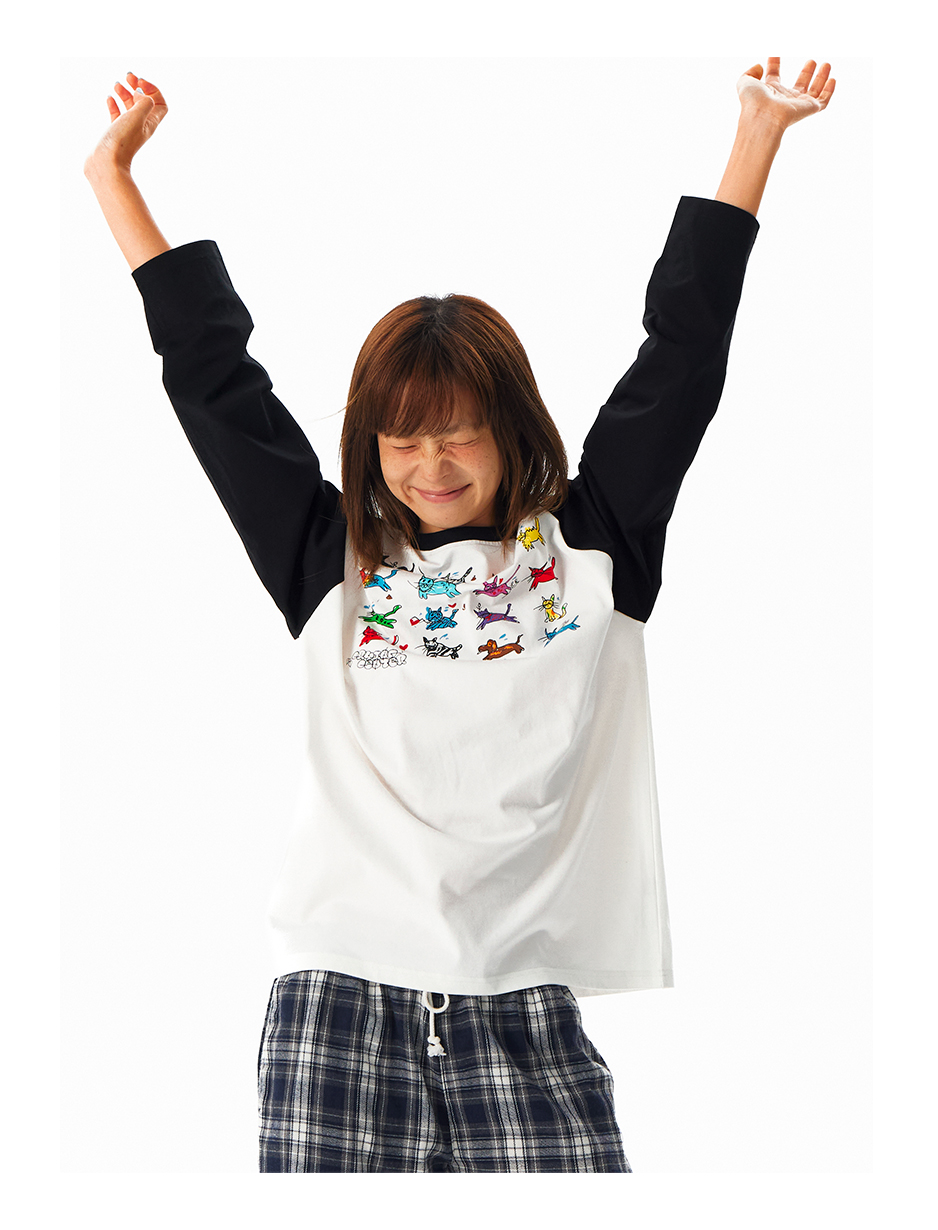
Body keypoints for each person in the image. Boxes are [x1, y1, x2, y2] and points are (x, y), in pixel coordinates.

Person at [84, 58, 835, 1173]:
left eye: (457, 433)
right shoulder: (332, 561)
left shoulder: (590, 553)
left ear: (509, 428)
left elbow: (681, 360)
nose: (429, 465)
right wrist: (115, 182)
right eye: (402, 439)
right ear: (371, 447)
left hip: (522, 1010)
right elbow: (214, 382)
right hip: (339, 1004)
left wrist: (756, 135)